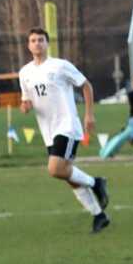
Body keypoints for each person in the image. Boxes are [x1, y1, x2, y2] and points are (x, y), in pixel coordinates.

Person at [18, 27, 111, 233]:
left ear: (47, 43)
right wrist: (25, 106)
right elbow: (26, 100)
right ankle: (99, 215)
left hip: (66, 125)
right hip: (48, 131)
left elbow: (86, 85)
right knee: (67, 175)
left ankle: (95, 182)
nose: (37, 43)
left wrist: (89, 114)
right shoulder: (24, 73)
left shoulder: (60, 65)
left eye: (41, 40)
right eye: (33, 40)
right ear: (28, 45)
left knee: (55, 169)